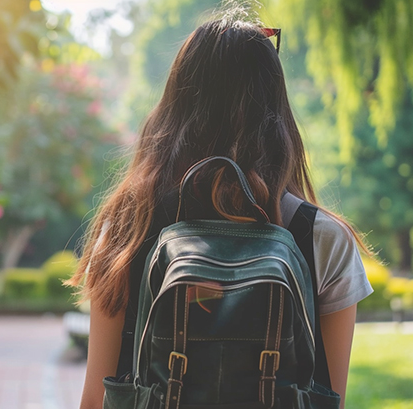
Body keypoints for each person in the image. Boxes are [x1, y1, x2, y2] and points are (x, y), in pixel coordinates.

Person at [67, 10, 373, 409]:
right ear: (276, 110)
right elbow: (327, 399)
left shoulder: (130, 226)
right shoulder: (323, 238)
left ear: (177, 103)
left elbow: (95, 399)